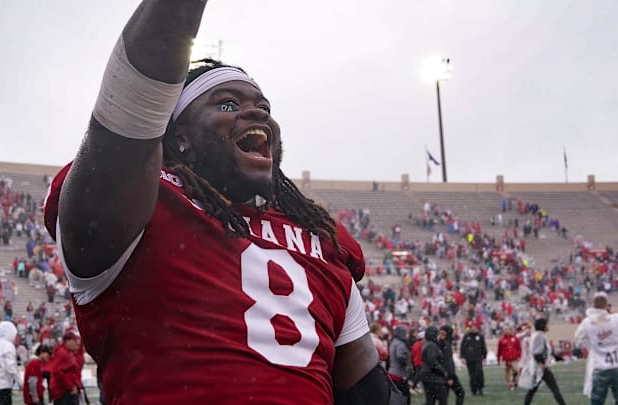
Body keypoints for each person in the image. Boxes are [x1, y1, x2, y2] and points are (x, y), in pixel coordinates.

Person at [43, 1, 403, 404]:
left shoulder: (322, 239)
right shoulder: (146, 204)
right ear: (178, 137)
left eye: (263, 107)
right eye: (227, 104)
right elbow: (128, 111)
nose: (254, 112)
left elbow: (366, 390)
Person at [575, 292, 618, 405]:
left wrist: (592, 345)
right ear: (606, 305)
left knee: (597, 402)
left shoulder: (587, 322)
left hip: (600, 368)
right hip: (616, 366)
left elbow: (578, 341)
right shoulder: (616, 318)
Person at [522, 318, 567, 405]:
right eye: (547, 324)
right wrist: (542, 363)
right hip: (540, 368)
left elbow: (547, 352)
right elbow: (537, 352)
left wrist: (560, 358)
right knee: (554, 389)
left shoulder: (540, 335)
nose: (548, 326)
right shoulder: (539, 336)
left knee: (533, 390)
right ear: (543, 325)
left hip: (540, 367)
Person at [419, 326, 451, 405]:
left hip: (428, 376)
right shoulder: (431, 346)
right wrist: (443, 371)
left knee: (430, 400)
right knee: (442, 399)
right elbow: (432, 362)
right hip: (433, 377)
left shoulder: (427, 344)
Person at [49, 332, 82, 405]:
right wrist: (70, 386)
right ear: (68, 341)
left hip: (65, 392)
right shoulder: (62, 353)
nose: (76, 344)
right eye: (75, 341)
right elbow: (57, 371)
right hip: (64, 393)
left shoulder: (66, 352)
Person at [388, 325, 414, 404]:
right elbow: (400, 356)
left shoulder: (394, 342)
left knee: (396, 397)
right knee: (404, 397)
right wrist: (405, 365)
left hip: (393, 372)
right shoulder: (400, 343)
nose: (407, 335)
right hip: (399, 374)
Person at [459, 322, 487, 395]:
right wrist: (462, 357)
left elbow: (483, 346)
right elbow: (462, 347)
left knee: (479, 372)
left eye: (474, 327)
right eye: (471, 327)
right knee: (472, 375)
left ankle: (480, 388)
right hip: (469, 358)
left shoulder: (480, 336)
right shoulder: (466, 336)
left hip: (478, 358)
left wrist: (485, 356)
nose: (473, 328)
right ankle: (473, 390)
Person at [439, 325, 464, 405]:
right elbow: (446, 362)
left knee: (443, 398)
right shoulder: (445, 344)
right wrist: (449, 377)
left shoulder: (444, 343)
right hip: (447, 374)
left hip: (443, 373)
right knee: (460, 393)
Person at [497, 325, 522, 391]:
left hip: (514, 358)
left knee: (517, 370)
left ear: (510, 330)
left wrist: (519, 355)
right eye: (504, 330)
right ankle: (509, 384)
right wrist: (498, 359)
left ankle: (513, 380)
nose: (505, 331)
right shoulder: (501, 340)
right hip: (505, 359)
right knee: (507, 371)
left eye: (507, 330)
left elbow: (519, 348)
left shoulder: (515, 338)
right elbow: (499, 350)